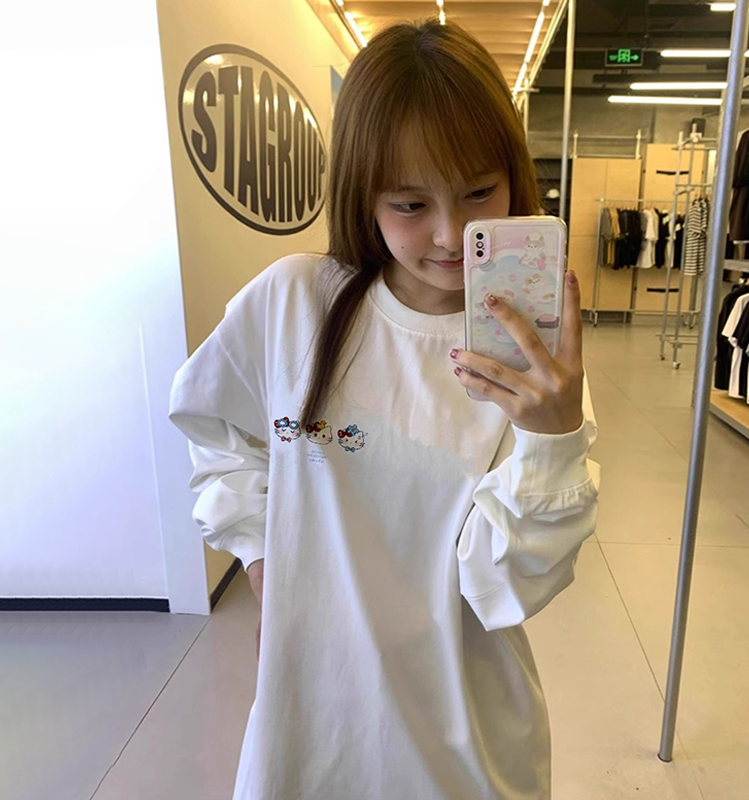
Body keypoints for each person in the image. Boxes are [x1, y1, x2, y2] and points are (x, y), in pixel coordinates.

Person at [169, 19, 600, 800]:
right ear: (361, 193)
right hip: (314, 720)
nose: (450, 233)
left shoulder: (531, 356)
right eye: (409, 202)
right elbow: (217, 428)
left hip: (465, 730)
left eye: (478, 190)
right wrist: (262, 560)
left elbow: (503, 586)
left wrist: (552, 439)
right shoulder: (293, 302)